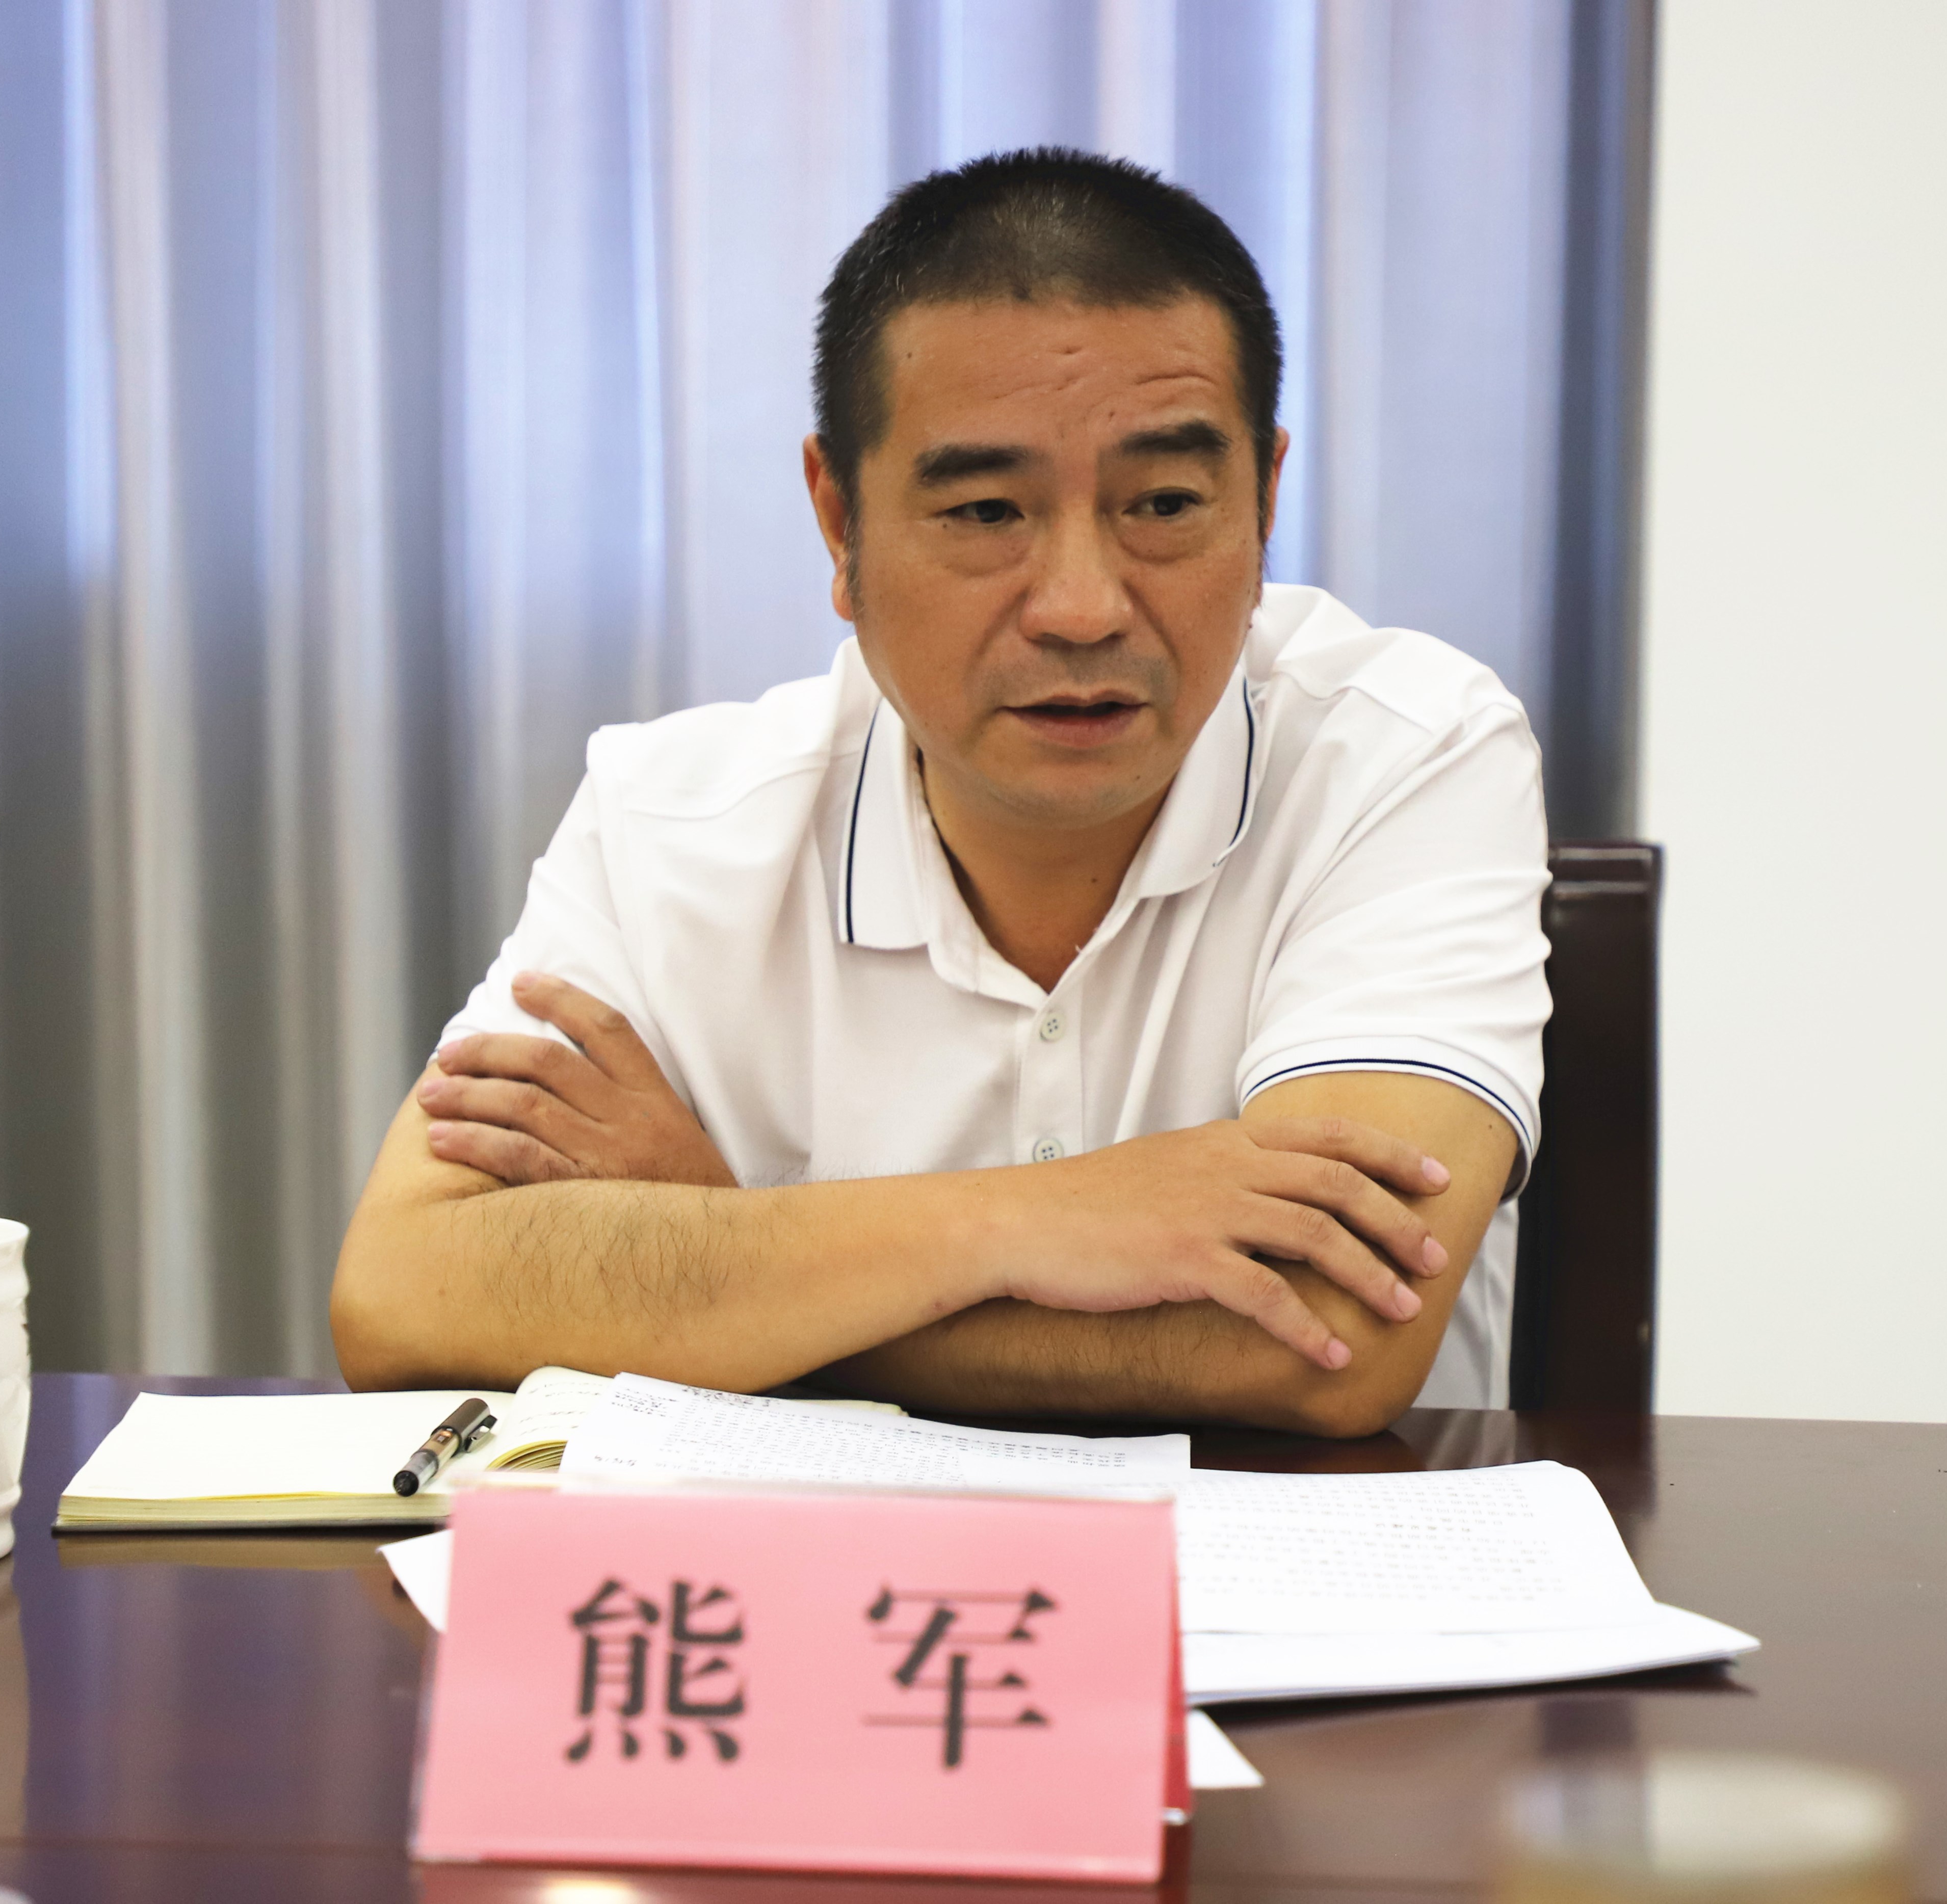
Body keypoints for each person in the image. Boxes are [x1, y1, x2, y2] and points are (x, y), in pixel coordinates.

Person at [331, 149, 1549, 1437]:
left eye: (1164, 502)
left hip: (1315, 1562)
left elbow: (1329, 1336)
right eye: (983, 512)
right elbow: (405, 1290)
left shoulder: (1404, 753)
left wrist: (740, 1258)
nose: (1081, 606)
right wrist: (1025, 1222)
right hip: (805, 1570)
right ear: (838, 522)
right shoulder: (668, 824)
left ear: (1263, 502)